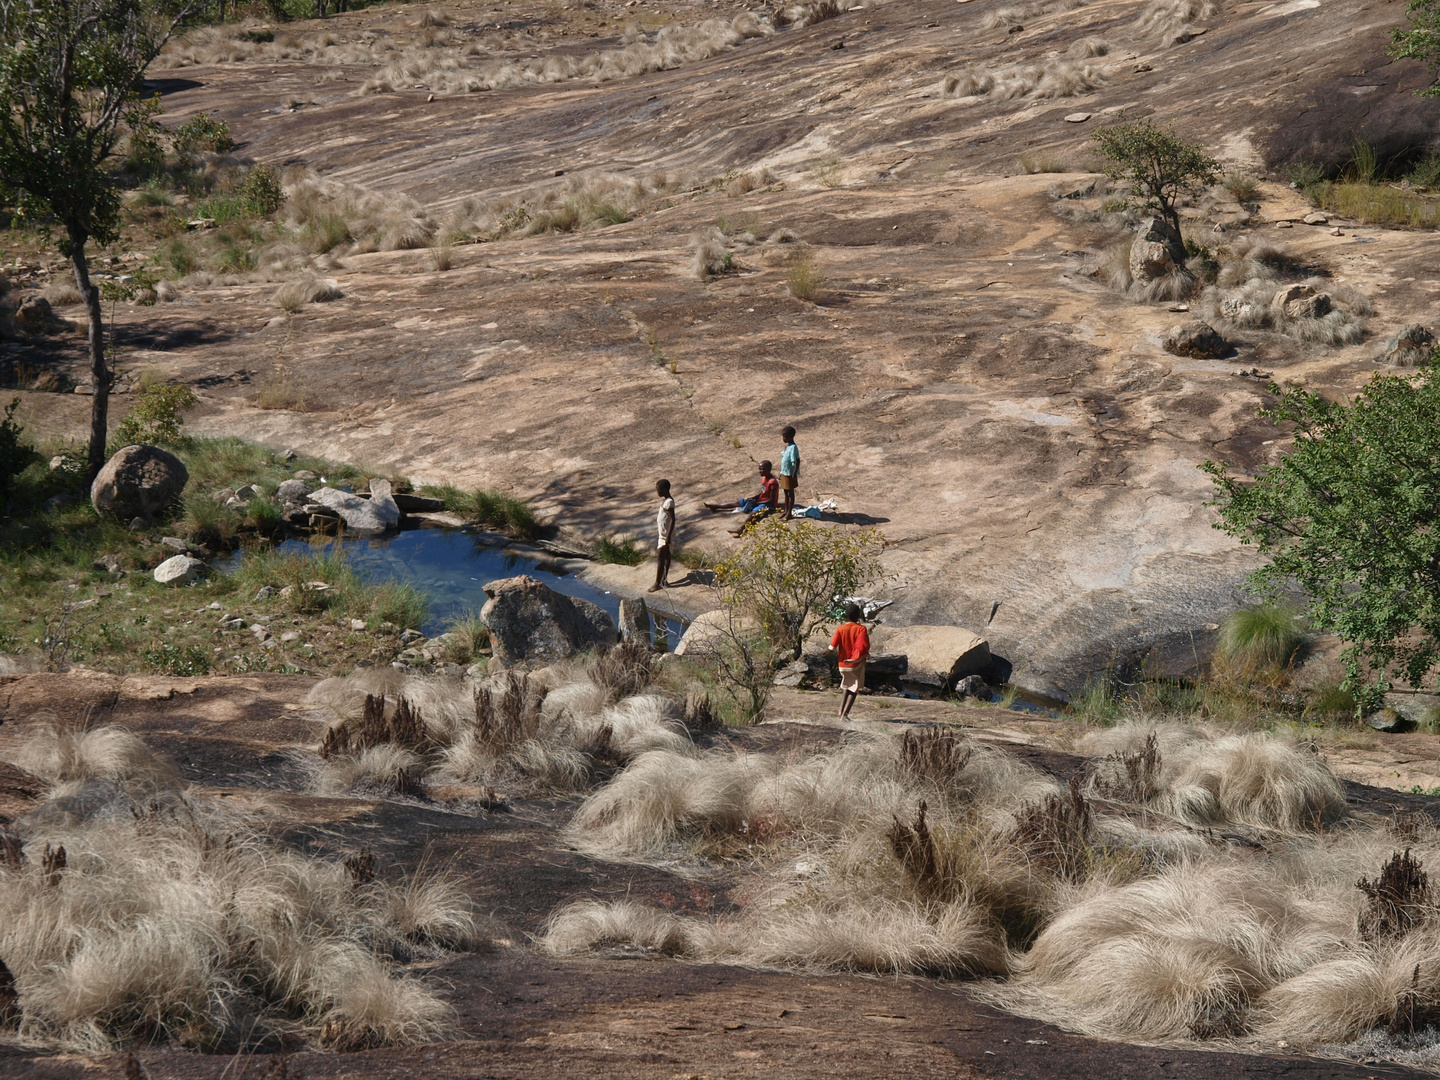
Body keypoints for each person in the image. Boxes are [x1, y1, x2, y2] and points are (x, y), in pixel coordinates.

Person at [827, 602, 870, 720]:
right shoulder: (861, 629)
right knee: (854, 688)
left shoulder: (840, 628)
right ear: (858, 615)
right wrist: (859, 656)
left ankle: (840, 712)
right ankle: (844, 715)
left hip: (842, 664)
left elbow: (832, 647)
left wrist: (826, 651)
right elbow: (862, 646)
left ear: (846, 615)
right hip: (855, 663)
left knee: (846, 685)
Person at [704, 461, 779, 516]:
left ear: (768, 470)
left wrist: (757, 503)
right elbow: (764, 492)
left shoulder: (772, 482)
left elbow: (771, 499)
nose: (759, 471)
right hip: (761, 500)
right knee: (740, 502)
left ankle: (741, 528)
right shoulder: (764, 478)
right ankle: (715, 506)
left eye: (761, 469)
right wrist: (754, 498)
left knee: (754, 513)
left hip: (769, 505)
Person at [650, 479, 675, 594]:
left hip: (665, 536)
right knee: (667, 556)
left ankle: (657, 583)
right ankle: (664, 580)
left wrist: (668, 536)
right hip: (663, 534)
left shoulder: (669, 502)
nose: (657, 492)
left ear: (665, 490)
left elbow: (673, 520)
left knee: (660, 558)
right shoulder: (666, 501)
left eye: (658, 490)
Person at [778, 425, 800, 521]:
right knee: (786, 493)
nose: (783, 438)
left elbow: (797, 461)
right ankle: (786, 511)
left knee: (790, 494)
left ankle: (789, 513)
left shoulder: (793, 448)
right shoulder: (787, 447)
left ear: (791, 436)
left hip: (790, 474)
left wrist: (794, 473)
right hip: (785, 473)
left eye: (785, 436)